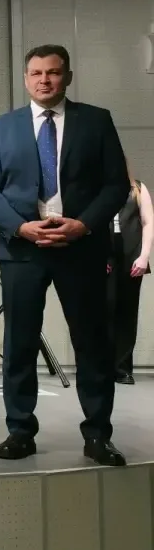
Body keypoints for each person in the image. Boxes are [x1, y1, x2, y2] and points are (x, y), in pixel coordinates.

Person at [0, 43, 128, 466]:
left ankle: (98, 435)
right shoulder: (2, 127)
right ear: (25, 79)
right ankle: (20, 431)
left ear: (68, 77)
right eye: (37, 73)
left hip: (81, 248)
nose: (45, 80)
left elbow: (116, 184)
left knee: (92, 344)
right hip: (22, 249)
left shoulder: (96, 121)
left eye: (54, 72)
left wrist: (84, 224)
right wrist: (20, 227)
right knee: (20, 344)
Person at [107, 163, 152, 385]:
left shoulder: (138, 189)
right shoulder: (97, 189)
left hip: (132, 256)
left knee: (127, 312)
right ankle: (102, 366)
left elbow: (148, 222)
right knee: (104, 310)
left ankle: (122, 368)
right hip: (105, 256)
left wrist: (144, 256)